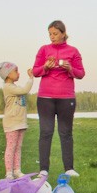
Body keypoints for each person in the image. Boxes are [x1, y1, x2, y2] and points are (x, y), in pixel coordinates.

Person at [32, 20, 85, 178]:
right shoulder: (44, 49)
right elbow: (35, 71)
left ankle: (69, 168)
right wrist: (45, 68)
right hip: (45, 97)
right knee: (46, 132)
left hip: (66, 97)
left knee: (66, 133)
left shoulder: (73, 51)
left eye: (55, 34)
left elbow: (81, 73)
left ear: (63, 33)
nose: (52, 37)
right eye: (50, 34)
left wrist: (70, 69)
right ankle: (43, 169)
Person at [0, 61, 34, 179]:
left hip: (20, 122)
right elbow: (25, 90)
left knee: (18, 147)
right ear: (7, 74)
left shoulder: (14, 87)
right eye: (15, 71)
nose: (18, 73)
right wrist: (31, 78)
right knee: (11, 147)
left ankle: (17, 170)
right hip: (12, 123)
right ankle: (9, 173)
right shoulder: (8, 87)